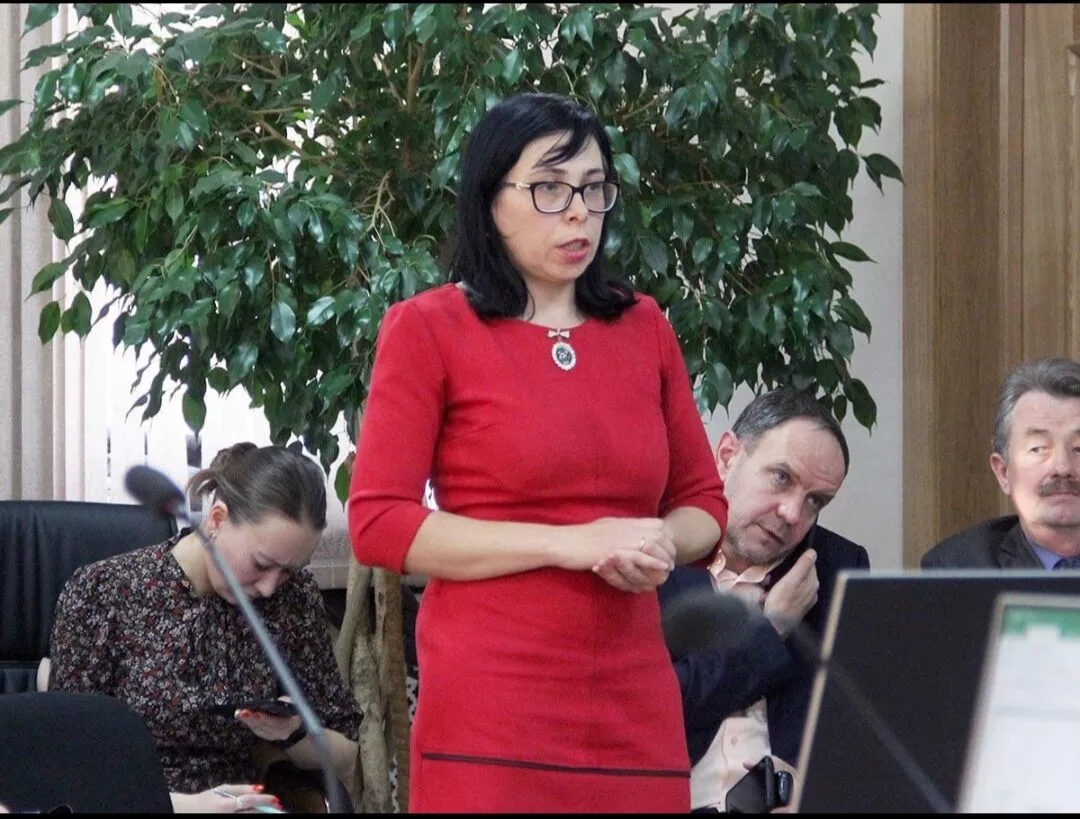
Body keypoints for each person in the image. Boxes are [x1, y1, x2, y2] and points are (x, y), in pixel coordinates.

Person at [347, 91, 729, 813]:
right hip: (492, 706)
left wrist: (656, 539)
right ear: (491, 200)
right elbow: (380, 522)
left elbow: (705, 505)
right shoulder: (429, 328)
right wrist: (570, 543)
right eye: (550, 189)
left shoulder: (644, 326)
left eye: (594, 188)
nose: (579, 213)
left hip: (633, 701)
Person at [49, 443, 361, 813]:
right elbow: (68, 762)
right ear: (216, 520)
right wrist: (191, 806)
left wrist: (293, 733)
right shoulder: (103, 593)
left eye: (289, 571)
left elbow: (345, 753)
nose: (269, 587)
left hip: (250, 804)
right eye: (261, 564)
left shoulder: (292, 599)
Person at [656, 388, 870, 813]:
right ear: (727, 456)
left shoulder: (836, 567)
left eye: (815, 501)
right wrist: (769, 630)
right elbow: (656, 709)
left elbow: (853, 732)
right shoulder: (657, 549)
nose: (792, 514)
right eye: (782, 478)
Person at [922, 356, 1080, 569]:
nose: (1062, 468)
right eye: (1038, 449)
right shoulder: (958, 568)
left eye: (1079, 449)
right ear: (1003, 472)